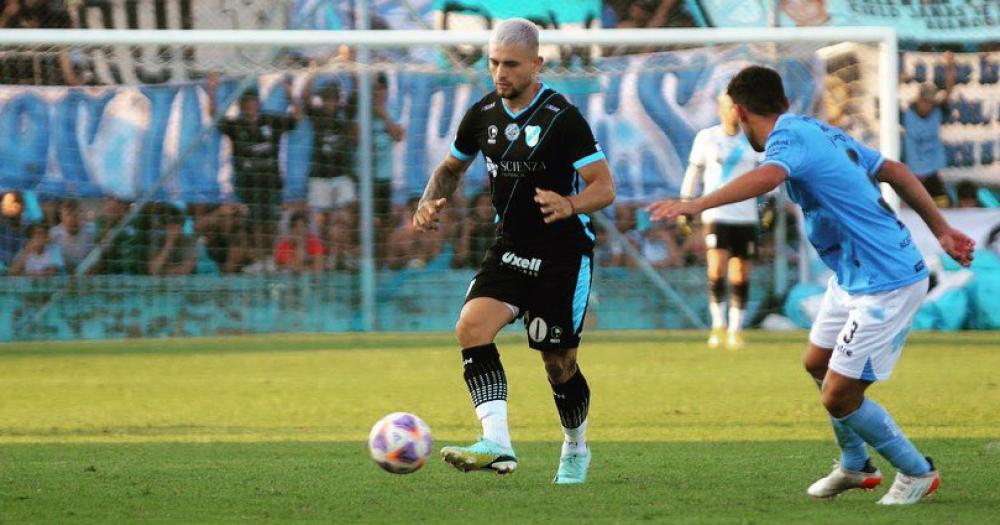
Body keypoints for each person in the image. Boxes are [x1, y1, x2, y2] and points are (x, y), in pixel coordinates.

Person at [648, 66, 974, 505]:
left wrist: (698, 203)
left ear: (741, 113)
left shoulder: (785, 141)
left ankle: (917, 471)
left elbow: (769, 176)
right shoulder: (817, 129)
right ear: (783, 101)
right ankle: (856, 466)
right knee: (816, 362)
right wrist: (942, 231)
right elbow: (892, 169)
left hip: (886, 281)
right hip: (853, 277)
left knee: (839, 395)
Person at [411, 18, 615, 484]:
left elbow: (604, 188)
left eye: (510, 65)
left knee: (559, 366)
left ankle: (576, 445)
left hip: (563, 256)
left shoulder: (563, 118)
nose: (499, 73)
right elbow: (449, 168)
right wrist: (428, 199)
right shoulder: (482, 114)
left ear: (537, 64)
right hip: (510, 250)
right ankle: (498, 445)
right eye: (493, 63)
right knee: (471, 327)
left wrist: (570, 204)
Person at [680, 92, 763, 350]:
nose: (733, 112)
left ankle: (736, 329)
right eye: (728, 107)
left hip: (746, 216)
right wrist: (686, 203)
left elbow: (766, 176)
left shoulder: (754, 141)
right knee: (716, 268)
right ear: (719, 109)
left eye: (737, 107)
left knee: (740, 272)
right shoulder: (707, 138)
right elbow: (694, 172)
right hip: (716, 214)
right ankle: (718, 325)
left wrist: (767, 205)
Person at [207, 74, 301, 270]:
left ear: (258, 103)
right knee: (254, 224)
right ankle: (259, 259)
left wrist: (290, 92)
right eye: (246, 102)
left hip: (271, 182)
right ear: (241, 105)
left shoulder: (271, 121)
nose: (250, 105)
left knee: (271, 222)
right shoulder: (235, 125)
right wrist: (213, 89)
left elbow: (297, 118)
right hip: (247, 185)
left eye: (253, 102)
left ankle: (271, 259)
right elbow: (214, 116)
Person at [901, 51, 955, 208]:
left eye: (931, 101)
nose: (928, 105)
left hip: (933, 173)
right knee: (909, 210)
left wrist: (950, 65)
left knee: (944, 207)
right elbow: (890, 97)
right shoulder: (906, 114)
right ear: (918, 99)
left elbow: (949, 91)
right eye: (925, 101)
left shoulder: (938, 111)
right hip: (913, 174)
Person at [49, 199, 96, 273]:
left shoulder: (91, 231)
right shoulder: (54, 234)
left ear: (81, 215)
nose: (71, 219)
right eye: (68, 215)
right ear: (61, 217)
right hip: (64, 275)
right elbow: (55, 263)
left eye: (75, 215)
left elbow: (96, 259)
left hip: (87, 273)